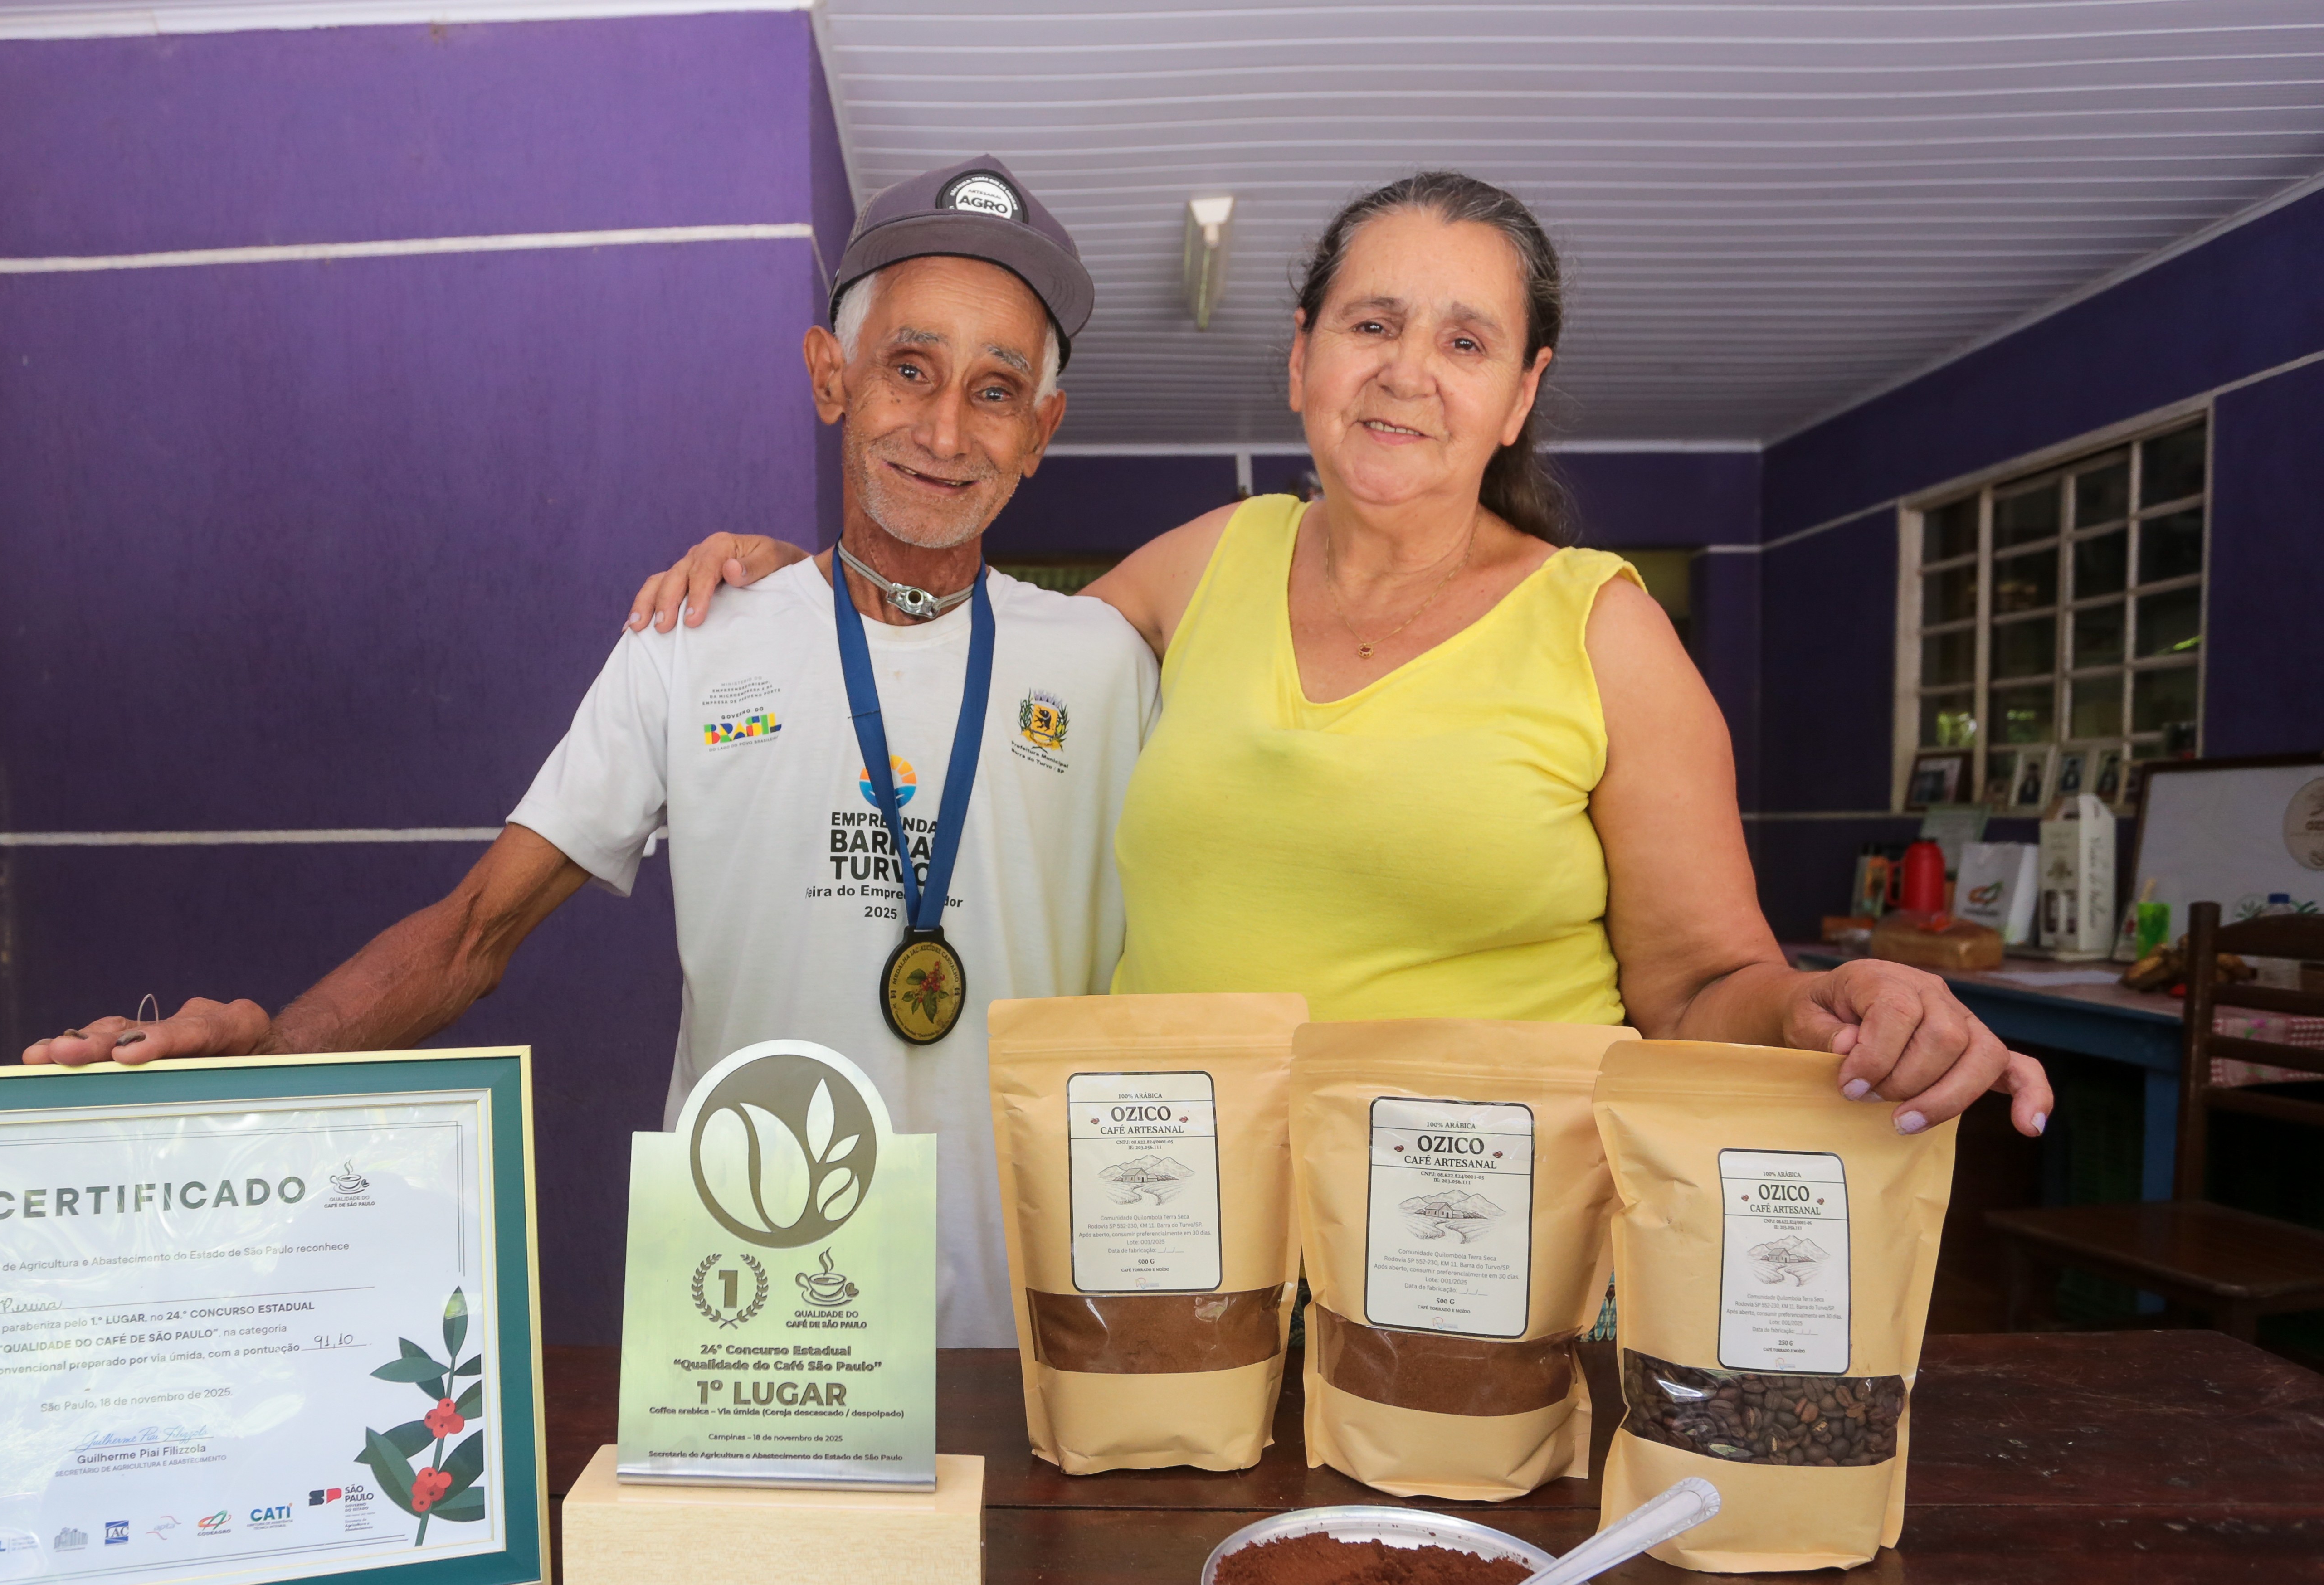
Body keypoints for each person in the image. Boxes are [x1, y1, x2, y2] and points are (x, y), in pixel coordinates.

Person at [627, 170, 2054, 1138]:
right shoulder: (1209, 564)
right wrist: (793, 582)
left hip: (1475, 1262)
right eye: (1372, 324)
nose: (1406, 371)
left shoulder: (1602, 630)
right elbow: (966, 647)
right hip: (1175, 1236)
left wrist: (1825, 1005)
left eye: (1464, 340)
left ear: (1519, 396)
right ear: (1303, 356)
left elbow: (1698, 987)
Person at [24, 157, 1160, 1345]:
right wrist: (276, 1048)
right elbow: (478, 929)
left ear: (1042, 430)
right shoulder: (696, 640)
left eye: (995, 391)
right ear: (833, 377)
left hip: (1047, 1325)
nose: (942, 429)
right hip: (757, 1322)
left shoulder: (1101, 666)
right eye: (910, 369)